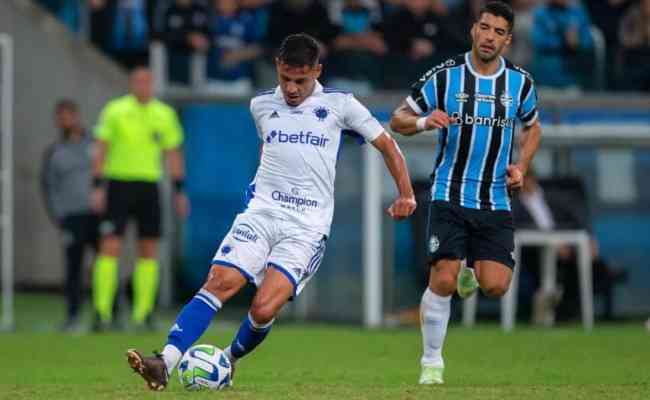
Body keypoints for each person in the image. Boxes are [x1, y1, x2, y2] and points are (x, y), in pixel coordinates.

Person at [126, 33, 417, 391]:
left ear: (317, 71)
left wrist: (406, 194)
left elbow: (387, 145)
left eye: (301, 80)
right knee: (220, 281)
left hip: (306, 227)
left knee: (264, 309)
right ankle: (164, 362)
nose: (292, 88)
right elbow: (276, 151)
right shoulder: (260, 106)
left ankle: (228, 361)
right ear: (277, 68)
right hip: (261, 214)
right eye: (286, 79)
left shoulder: (342, 105)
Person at [390, 1, 542, 384]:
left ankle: (470, 274)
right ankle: (431, 364)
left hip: (495, 198)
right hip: (449, 192)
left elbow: (532, 127)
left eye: (499, 32)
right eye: (485, 27)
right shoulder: (445, 76)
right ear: (474, 30)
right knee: (441, 278)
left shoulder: (520, 83)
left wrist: (521, 166)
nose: (490, 36)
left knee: (495, 285)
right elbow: (397, 119)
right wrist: (425, 121)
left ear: (508, 40)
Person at [91, 67, 188, 331]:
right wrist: (97, 186)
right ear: (132, 83)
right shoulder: (115, 110)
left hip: (149, 186)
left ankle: (143, 313)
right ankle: (102, 312)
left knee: (149, 249)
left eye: (147, 81)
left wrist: (179, 191)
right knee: (110, 246)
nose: (142, 86)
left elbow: (173, 153)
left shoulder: (164, 114)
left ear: (152, 84)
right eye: (138, 81)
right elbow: (101, 148)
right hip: (118, 184)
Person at [41, 100, 99, 332]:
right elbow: (48, 186)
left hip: (97, 214)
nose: (64, 120)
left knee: (104, 265)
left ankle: (108, 314)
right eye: (60, 117)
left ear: (76, 116)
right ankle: (73, 315)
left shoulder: (95, 144)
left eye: (68, 116)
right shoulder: (54, 152)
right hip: (72, 217)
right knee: (73, 267)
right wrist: (59, 215)